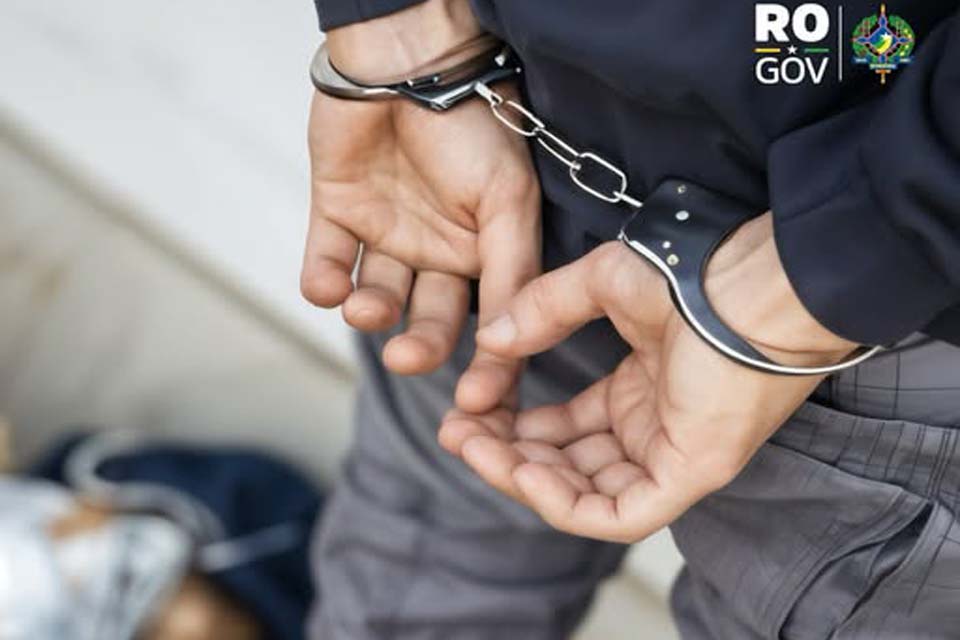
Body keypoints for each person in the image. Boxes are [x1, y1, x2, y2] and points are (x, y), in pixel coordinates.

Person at [300, 0, 960, 637]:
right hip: (495, 163)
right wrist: (393, 31)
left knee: (427, 567)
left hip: (879, 306)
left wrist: (860, 244)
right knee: (426, 565)